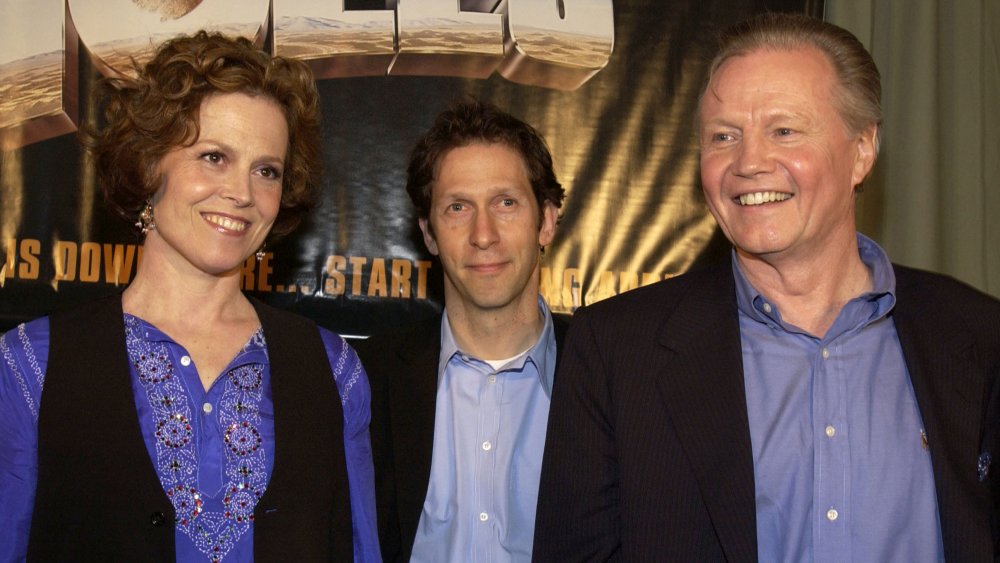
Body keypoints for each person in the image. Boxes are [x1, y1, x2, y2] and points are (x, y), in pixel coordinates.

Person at [533, 12, 1000, 563]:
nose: (748, 162)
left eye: (784, 130)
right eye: (723, 136)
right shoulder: (616, 350)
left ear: (862, 151)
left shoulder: (979, 336)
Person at [0, 31, 380, 561]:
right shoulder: (29, 366)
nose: (243, 194)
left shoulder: (334, 371)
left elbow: (359, 550)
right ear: (149, 163)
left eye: (265, 170)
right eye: (213, 157)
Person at [353, 98, 568, 562]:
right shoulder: (364, 380)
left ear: (546, 221)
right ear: (429, 234)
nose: (483, 234)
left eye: (505, 203)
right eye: (457, 208)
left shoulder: (612, 372)